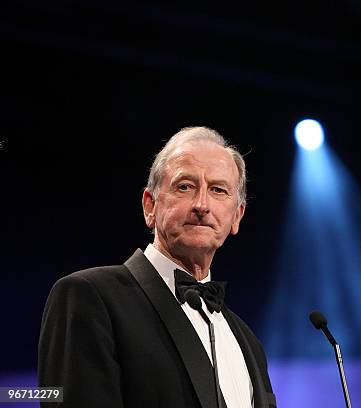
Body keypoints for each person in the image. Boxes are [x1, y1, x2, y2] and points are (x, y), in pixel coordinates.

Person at [38, 126, 276, 408]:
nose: (202, 204)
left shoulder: (247, 341)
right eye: (185, 186)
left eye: (218, 190)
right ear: (149, 206)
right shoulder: (90, 296)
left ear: (236, 216)